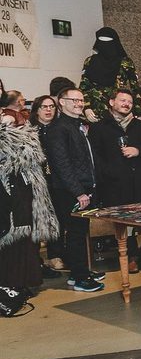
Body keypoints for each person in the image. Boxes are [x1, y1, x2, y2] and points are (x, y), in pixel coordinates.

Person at [0, 82, 58, 307]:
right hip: (6, 186)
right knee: (8, 234)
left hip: (22, 185)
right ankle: (8, 283)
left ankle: (19, 282)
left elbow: (32, 152)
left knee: (23, 234)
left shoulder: (13, 117)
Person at [90, 89, 141, 273]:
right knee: (123, 223)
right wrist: (109, 172)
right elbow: (95, 157)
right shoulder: (99, 127)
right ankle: (131, 256)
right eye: (122, 100)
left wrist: (139, 150)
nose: (126, 104)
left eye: (129, 101)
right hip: (116, 184)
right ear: (111, 102)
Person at [43, 87, 105, 292]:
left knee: (80, 232)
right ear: (61, 102)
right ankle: (80, 278)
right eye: (74, 100)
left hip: (84, 187)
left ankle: (80, 272)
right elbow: (62, 165)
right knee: (76, 233)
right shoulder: (58, 129)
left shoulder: (76, 125)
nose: (80, 104)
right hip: (71, 191)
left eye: (81, 100)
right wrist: (78, 192)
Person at [28, 95, 64, 277]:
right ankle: (37, 262)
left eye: (52, 106)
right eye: (44, 107)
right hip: (36, 182)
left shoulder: (60, 129)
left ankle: (56, 254)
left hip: (58, 180)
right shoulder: (29, 131)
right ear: (37, 110)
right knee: (39, 219)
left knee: (57, 217)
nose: (49, 110)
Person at [80, 26, 138, 120]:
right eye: (101, 41)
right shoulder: (90, 61)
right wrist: (86, 107)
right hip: (95, 111)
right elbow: (84, 86)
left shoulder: (125, 63)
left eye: (108, 41)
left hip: (120, 111)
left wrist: (137, 112)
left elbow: (135, 88)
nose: (105, 45)